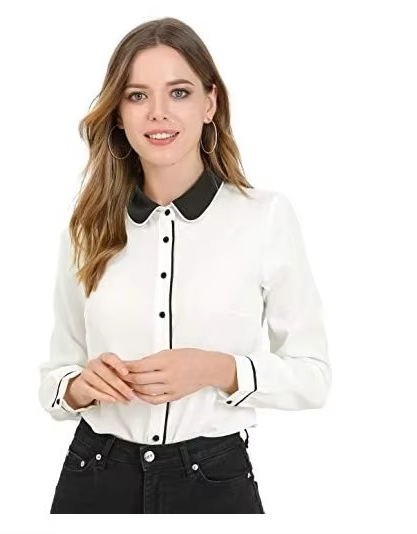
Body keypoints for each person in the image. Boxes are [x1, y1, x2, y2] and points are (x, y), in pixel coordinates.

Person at [38, 16, 331, 514]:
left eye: (178, 92)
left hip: (214, 480)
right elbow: (55, 376)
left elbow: (313, 377)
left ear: (209, 103)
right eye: (137, 96)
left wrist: (217, 369)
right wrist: (80, 386)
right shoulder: (86, 226)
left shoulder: (265, 217)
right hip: (95, 472)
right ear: (118, 114)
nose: (158, 113)